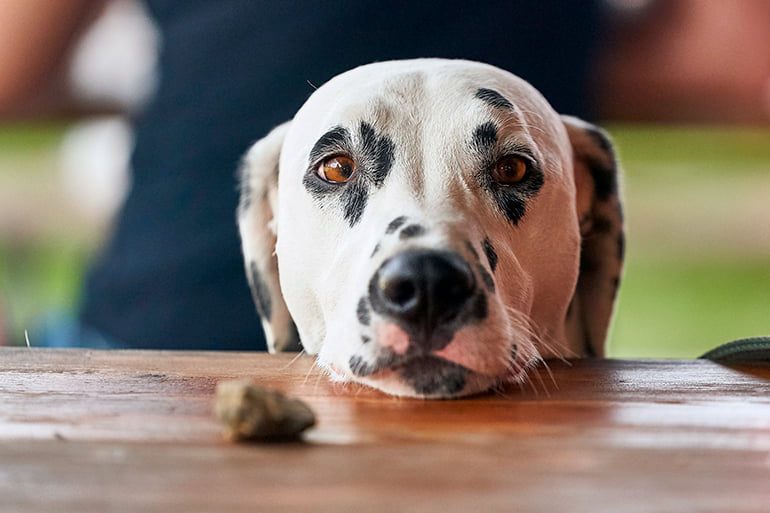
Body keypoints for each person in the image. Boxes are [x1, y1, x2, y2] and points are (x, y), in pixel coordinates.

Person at [3, 1, 765, 350]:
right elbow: (736, 56)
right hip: (502, 363)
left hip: (147, 337)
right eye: (334, 168)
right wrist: (520, 78)